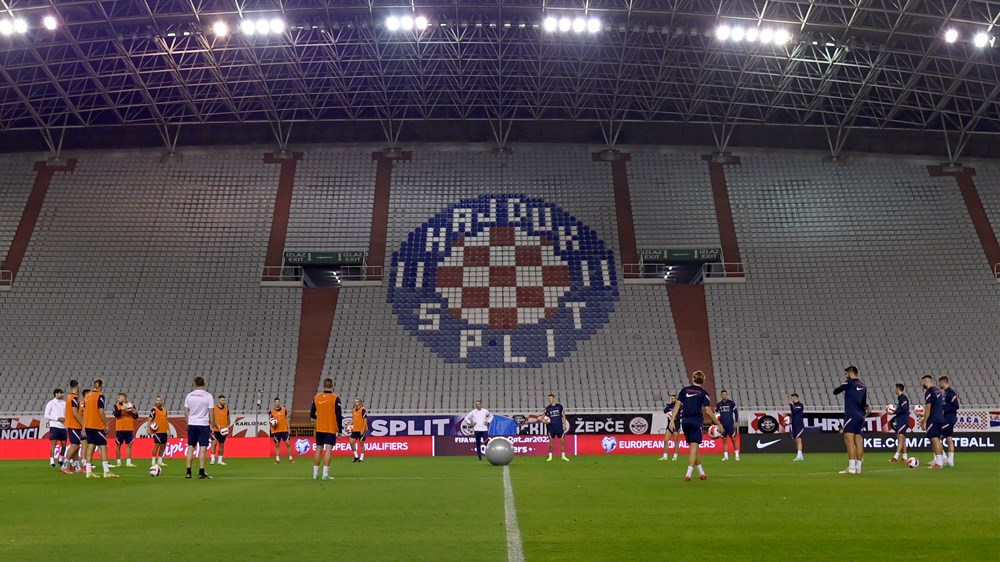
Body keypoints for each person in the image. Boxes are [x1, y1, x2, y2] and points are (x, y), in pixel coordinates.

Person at [669, 371, 724, 481]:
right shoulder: (703, 393)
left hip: (685, 422)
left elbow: (677, 405)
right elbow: (708, 411)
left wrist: (672, 420)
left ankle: (701, 473)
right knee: (694, 448)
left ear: (693, 378)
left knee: (694, 448)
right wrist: (719, 424)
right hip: (696, 422)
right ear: (703, 381)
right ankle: (688, 474)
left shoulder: (684, 390)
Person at [833, 366, 867, 474]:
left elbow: (836, 391)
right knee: (858, 440)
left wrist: (843, 386)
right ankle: (858, 468)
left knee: (849, 440)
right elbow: (864, 403)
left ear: (851, 374)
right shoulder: (863, 385)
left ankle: (851, 467)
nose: (846, 375)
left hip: (851, 414)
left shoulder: (849, 383)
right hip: (860, 416)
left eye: (846, 373)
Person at [83, 378, 118, 478]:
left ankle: (88, 471)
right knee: (103, 447)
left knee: (90, 446)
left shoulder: (87, 396)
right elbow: (101, 411)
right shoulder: (100, 396)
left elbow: (85, 411)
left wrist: (84, 426)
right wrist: (106, 424)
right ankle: (106, 471)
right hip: (96, 425)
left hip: (88, 425)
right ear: (101, 385)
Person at [311, 378, 342, 480]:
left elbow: (312, 414)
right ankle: (325, 474)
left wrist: (320, 418)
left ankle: (315, 474)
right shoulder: (335, 398)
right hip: (330, 427)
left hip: (320, 427)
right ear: (332, 386)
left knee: (318, 448)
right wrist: (340, 430)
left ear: (323, 385)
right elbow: (338, 415)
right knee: (328, 449)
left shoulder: (316, 397)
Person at [184, 376, 214, 479]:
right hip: (203, 424)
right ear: (204, 384)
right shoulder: (208, 396)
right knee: (203, 448)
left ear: (194, 384)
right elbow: (211, 413)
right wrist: (212, 425)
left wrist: (188, 422)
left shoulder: (189, 396)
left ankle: (188, 472)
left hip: (192, 423)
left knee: (191, 447)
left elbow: (186, 411)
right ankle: (201, 472)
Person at [60, 381, 85, 475]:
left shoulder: (70, 397)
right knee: (74, 445)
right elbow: (75, 413)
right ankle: (64, 466)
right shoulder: (74, 398)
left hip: (73, 425)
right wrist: (83, 424)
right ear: (77, 387)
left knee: (77, 445)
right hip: (74, 425)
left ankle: (77, 467)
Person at [921, 375, 946, 469]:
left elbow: (928, 407)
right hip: (940, 418)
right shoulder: (938, 391)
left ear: (926, 381)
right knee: (938, 440)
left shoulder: (929, 392)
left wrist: (924, 421)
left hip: (933, 418)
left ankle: (939, 463)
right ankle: (941, 460)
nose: (922, 384)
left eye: (923, 382)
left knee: (934, 439)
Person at [112, 393, 138, 468]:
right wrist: (121, 409)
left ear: (124, 398)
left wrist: (133, 412)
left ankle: (128, 462)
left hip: (129, 428)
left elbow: (136, 416)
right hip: (119, 429)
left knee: (129, 445)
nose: (118, 399)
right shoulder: (116, 406)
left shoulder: (131, 405)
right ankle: (118, 462)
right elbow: (116, 415)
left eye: (119, 397)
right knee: (118, 445)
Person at [938, 376, 959, 467]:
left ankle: (944, 458)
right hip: (946, 419)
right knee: (949, 438)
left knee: (936, 437)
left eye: (939, 383)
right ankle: (950, 461)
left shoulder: (951, 393)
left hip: (949, 419)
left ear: (943, 383)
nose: (939, 385)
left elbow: (956, 406)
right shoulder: (945, 393)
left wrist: (944, 410)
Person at [543, 394, 570, 462]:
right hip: (551, 427)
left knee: (563, 442)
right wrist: (545, 421)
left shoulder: (559, 406)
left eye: (551, 398)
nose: (550, 400)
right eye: (549, 399)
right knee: (551, 442)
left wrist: (564, 425)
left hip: (559, 427)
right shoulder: (547, 408)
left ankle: (563, 456)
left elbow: (563, 416)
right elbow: (545, 418)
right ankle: (550, 457)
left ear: (554, 399)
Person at [715, 389, 740, 461]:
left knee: (733, 439)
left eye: (725, 394)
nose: (724, 395)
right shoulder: (719, 404)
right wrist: (717, 423)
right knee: (724, 441)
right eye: (723, 394)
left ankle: (737, 455)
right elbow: (715, 412)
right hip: (722, 426)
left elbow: (736, 412)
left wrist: (736, 421)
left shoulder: (731, 403)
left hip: (730, 425)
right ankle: (726, 456)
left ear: (727, 395)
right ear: (721, 395)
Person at [44, 388, 67, 468]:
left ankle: (61, 459)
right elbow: (46, 415)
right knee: (54, 443)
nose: (62, 394)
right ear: (56, 394)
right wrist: (57, 418)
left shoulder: (64, 403)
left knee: (64, 444)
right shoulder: (51, 403)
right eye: (60, 393)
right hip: (54, 425)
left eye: (62, 393)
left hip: (63, 426)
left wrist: (65, 418)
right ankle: (52, 461)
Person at [890, 384, 910, 463]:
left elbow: (904, 409)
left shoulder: (903, 398)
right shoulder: (900, 399)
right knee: (902, 438)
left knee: (900, 437)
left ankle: (896, 456)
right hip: (900, 421)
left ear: (898, 389)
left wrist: (894, 411)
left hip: (903, 421)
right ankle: (905, 457)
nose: (895, 390)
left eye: (896, 388)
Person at [270, 398, 293, 464]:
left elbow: (287, 419)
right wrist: (273, 426)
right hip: (276, 431)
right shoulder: (271, 412)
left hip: (284, 430)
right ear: (274, 403)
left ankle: (291, 458)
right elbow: (270, 421)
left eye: (278, 402)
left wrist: (288, 429)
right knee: (277, 445)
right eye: (276, 402)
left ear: (279, 403)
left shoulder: (284, 410)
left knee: (288, 444)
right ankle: (277, 459)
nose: (277, 403)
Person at [149, 395, 169, 467]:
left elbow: (166, 420)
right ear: (156, 401)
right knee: (156, 445)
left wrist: (168, 429)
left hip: (164, 431)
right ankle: (153, 461)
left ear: (162, 401)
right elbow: (149, 420)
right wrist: (149, 429)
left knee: (163, 446)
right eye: (157, 400)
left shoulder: (165, 410)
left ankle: (160, 461)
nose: (159, 401)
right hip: (157, 431)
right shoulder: (153, 410)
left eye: (160, 400)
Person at [210, 395, 231, 466]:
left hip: (223, 430)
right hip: (215, 429)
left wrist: (228, 426)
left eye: (224, 400)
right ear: (219, 400)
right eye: (222, 400)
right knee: (214, 443)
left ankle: (220, 460)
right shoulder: (214, 408)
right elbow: (212, 418)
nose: (224, 401)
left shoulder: (226, 409)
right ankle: (212, 459)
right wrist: (216, 426)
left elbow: (228, 418)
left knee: (222, 445)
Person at [659, 393, 680, 461]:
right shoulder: (668, 405)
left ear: (676, 398)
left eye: (673, 398)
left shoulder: (679, 405)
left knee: (675, 440)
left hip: (676, 424)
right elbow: (665, 411)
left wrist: (675, 417)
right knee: (665, 440)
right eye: (671, 398)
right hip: (669, 425)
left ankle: (675, 456)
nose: (672, 399)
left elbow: (682, 414)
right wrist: (669, 405)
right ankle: (665, 456)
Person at [350, 398, 369, 463]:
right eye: (355, 401)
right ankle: (356, 456)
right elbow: (353, 419)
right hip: (355, 429)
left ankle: (361, 458)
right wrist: (349, 424)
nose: (355, 403)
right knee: (351, 442)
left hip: (361, 429)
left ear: (360, 402)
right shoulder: (353, 410)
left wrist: (363, 429)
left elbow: (365, 420)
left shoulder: (363, 410)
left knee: (361, 443)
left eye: (357, 402)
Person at [789, 393, 805, 461]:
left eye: (791, 398)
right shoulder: (794, 405)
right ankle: (800, 455)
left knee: (799, 439)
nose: (790, 399)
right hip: (794, 424)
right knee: (795, 440)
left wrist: (791, 404)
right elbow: (793, 413)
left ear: (795, 397)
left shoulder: (800, 405)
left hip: (799, 424)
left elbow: (794, 411)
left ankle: (799, 456)